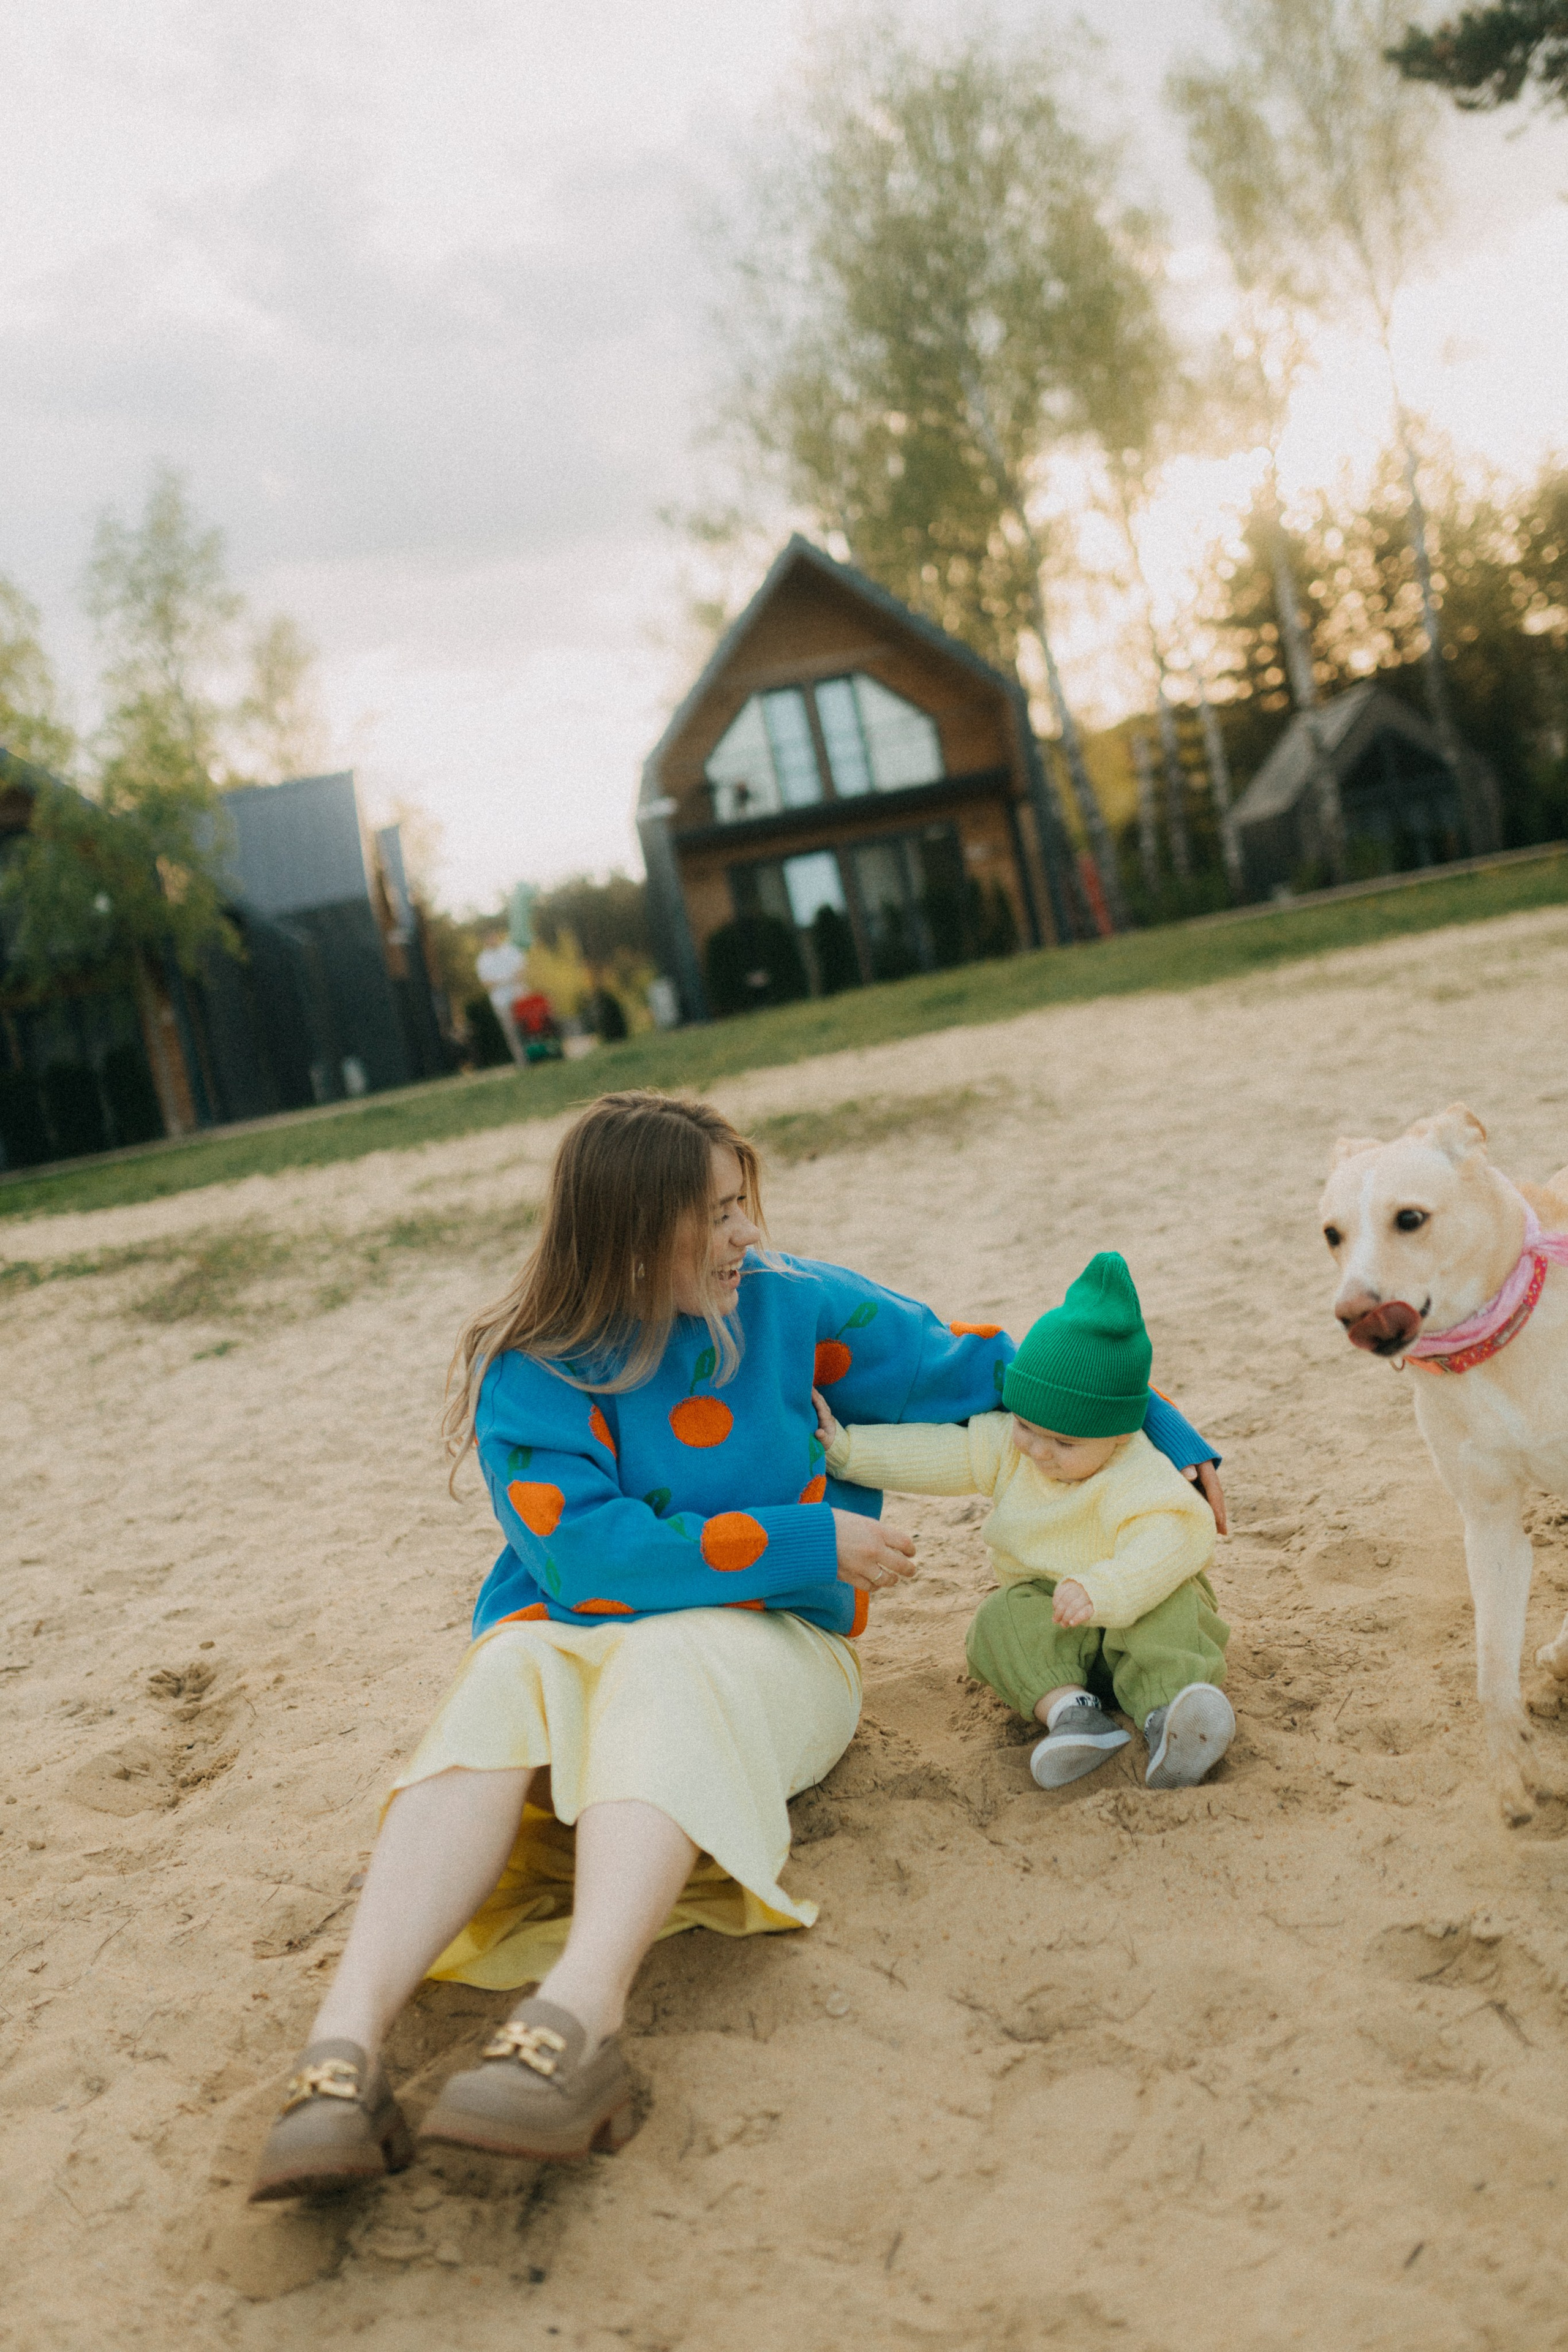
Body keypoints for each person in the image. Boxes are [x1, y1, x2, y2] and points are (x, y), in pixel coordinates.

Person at [249, 1096, 1224, 2200]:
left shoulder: (790, 1307)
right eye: (714, 1217)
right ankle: (341, 2056)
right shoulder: (532, 1369)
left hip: (776, 1649)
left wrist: (1164, 1428)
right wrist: (807, 1533)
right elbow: (589, 1562)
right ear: (628, 1232)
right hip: (574, 1642)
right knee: (501, 1674)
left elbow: (996, 1372)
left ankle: (579, 2018)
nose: (744, 1238)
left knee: (672, 1660)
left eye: (740, 1209)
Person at [817, 1251, 1233, 1795]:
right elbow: (943, 1453)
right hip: (1054, 1608)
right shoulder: (1013, 1448)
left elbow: (1172, 1541)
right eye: (1027, 1426)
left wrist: (1105, 1587)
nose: (1039, 1450)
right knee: (999, 1622)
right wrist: (848, 1451)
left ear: (1119, 1435)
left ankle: (1169, 1717)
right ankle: (1072, 1715)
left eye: (1065, 1442)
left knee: (1176, 1612)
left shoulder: (1139, 1470)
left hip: (1132, 1594)